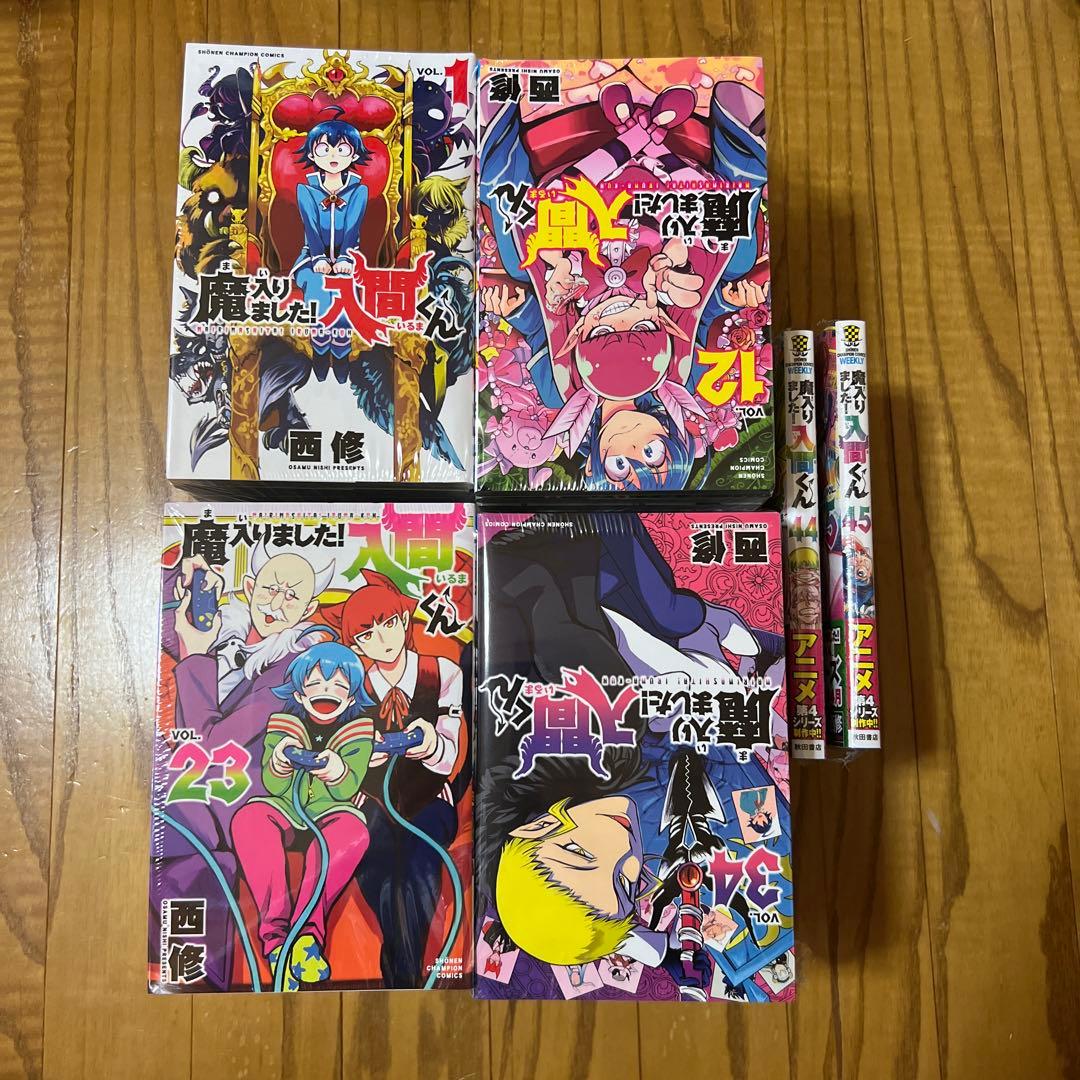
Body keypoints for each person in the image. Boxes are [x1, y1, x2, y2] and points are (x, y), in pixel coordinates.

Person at [153, 543, 334, 989]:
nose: (276, 603)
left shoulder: (295, 666)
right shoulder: (225, 629)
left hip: (254, 791)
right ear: (249, 588)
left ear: (309, 608)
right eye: (269, 589)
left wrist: (195, 656)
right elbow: (164, 619)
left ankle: (196, 975)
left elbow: (211, 742)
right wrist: (182, 576)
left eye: (292, 596)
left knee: (180, 823)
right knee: (172, 822)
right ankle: (191, 972)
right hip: (206, 786)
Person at [324, 570, 465, 987]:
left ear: (404, 620)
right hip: (372, 805)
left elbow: (451, 755)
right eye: (367, 634)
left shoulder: (443, 673)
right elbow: (342, 758)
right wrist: (360, 754)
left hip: (429, 801)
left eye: (388, 623)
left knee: (418, 870)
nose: (382, 639)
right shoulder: (354, 688)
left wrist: (428, 743)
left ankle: (402, 979)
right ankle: (402, 980)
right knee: (381, 873)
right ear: (357, 645)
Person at [230, 643, 375, 990]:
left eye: (338, 686)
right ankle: (276, 941)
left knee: (353, 831)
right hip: (287, 807)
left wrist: (338, 771)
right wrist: (280, 763)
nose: (327, 691)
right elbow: (272, 782)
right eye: (317, 684)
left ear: (351, 698)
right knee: (249, 818)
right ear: (299, 692)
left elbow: (347, 788)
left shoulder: (360, 731)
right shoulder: (283, 725)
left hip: (332, 812)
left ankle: (306, 939)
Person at [292, 108, 372, 376]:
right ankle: (319, 346)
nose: (333, 156)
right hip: (311, 258)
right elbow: (311, 227)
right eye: (324, 149)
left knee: (345, 286)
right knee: (317, 284)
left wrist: (346, 258)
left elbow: (353, 227)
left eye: (342, 149)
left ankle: (340, 350)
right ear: (312, 155)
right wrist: (319, 259)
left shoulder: (359, 191)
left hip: (350, 259)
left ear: (354, 154)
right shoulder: (306, 190)